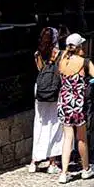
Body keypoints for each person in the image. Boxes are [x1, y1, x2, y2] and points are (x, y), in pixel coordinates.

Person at [57, 33, 94, 184]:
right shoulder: (85, 62)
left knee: (67, 138)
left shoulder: (62, 61)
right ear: (79, 46)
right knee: (82, 139)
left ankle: (64, 173)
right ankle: (86, 169)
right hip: (78, 104)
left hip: (64, 102)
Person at [29, 27, 63, 174]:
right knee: (55, 125)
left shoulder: (37, 54)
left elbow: (41, 71)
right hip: (54, 90)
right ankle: (52, 162)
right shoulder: (59, 55)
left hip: (40, 90)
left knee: (40, 124)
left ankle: (34, 161)